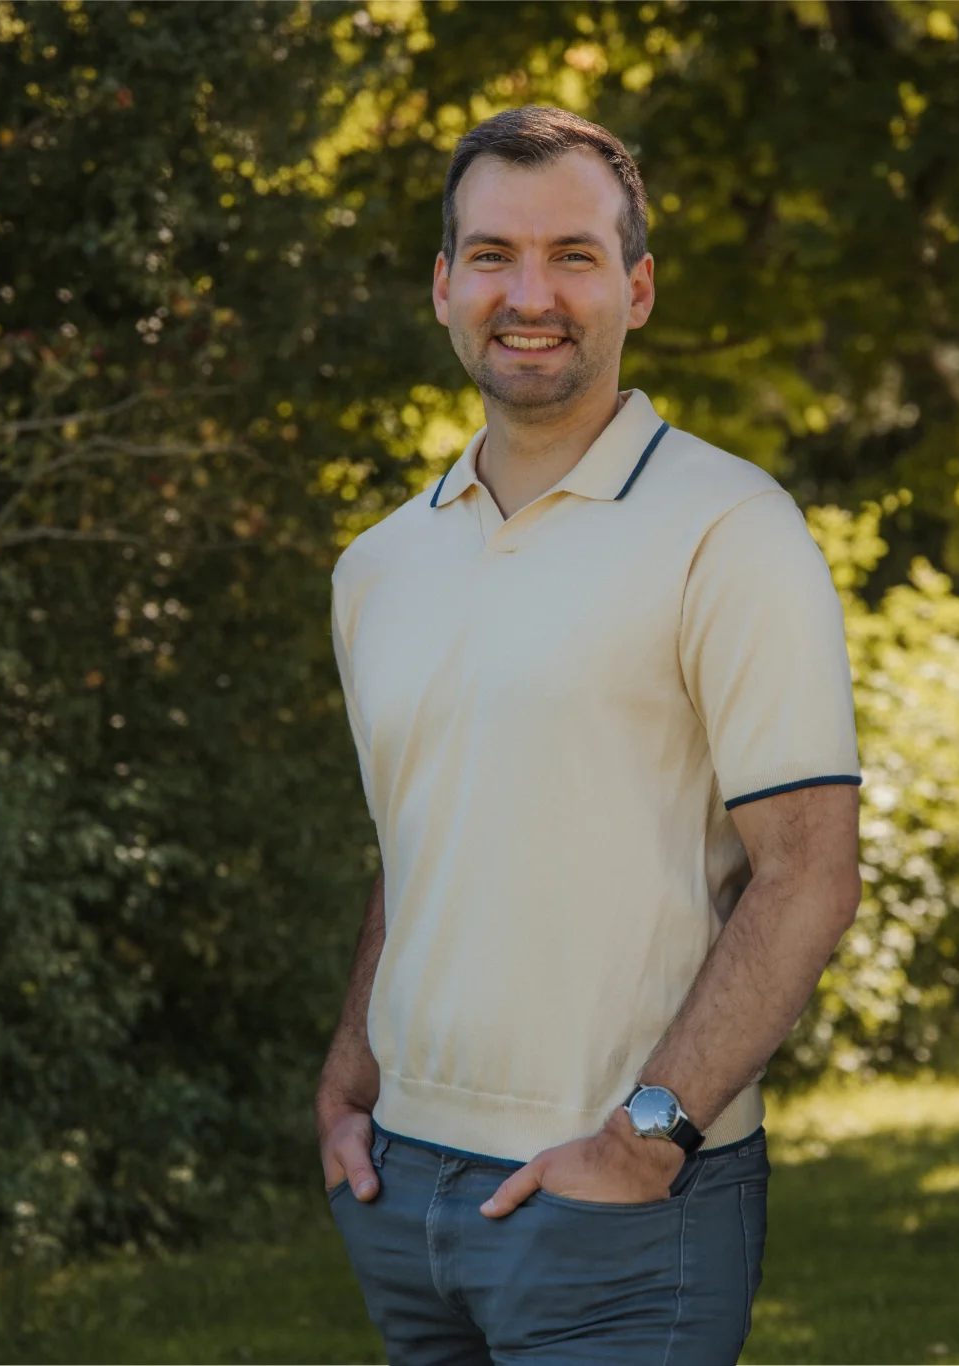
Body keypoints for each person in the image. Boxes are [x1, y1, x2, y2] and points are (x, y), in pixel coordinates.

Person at [317, 104, 863, 1365]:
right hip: (401, 1196)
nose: (531, 293)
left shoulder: (731, 529)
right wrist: (349, 1080)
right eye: (494, 255)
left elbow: (808, 871)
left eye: (572, 254)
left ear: (637, 286)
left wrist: (644, 1136)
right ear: (444, 287)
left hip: (623, 1210)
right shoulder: (378, 567)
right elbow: (419, 846)